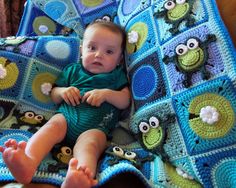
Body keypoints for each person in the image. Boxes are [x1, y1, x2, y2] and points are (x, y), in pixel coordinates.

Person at [0, 21, 130, 188]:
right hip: (66, 118)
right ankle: (28, 162)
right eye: (92, 48)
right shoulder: (72, 70)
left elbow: (125, 100)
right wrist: (63, 91)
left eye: (109, 51)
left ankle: (79, 177)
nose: (98, 55)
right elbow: (54, 95)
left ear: (119, 59)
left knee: (89, 145)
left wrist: (107, 94)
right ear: (82, 49)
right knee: (50, 128)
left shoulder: (116, 76)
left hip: (96, 127)